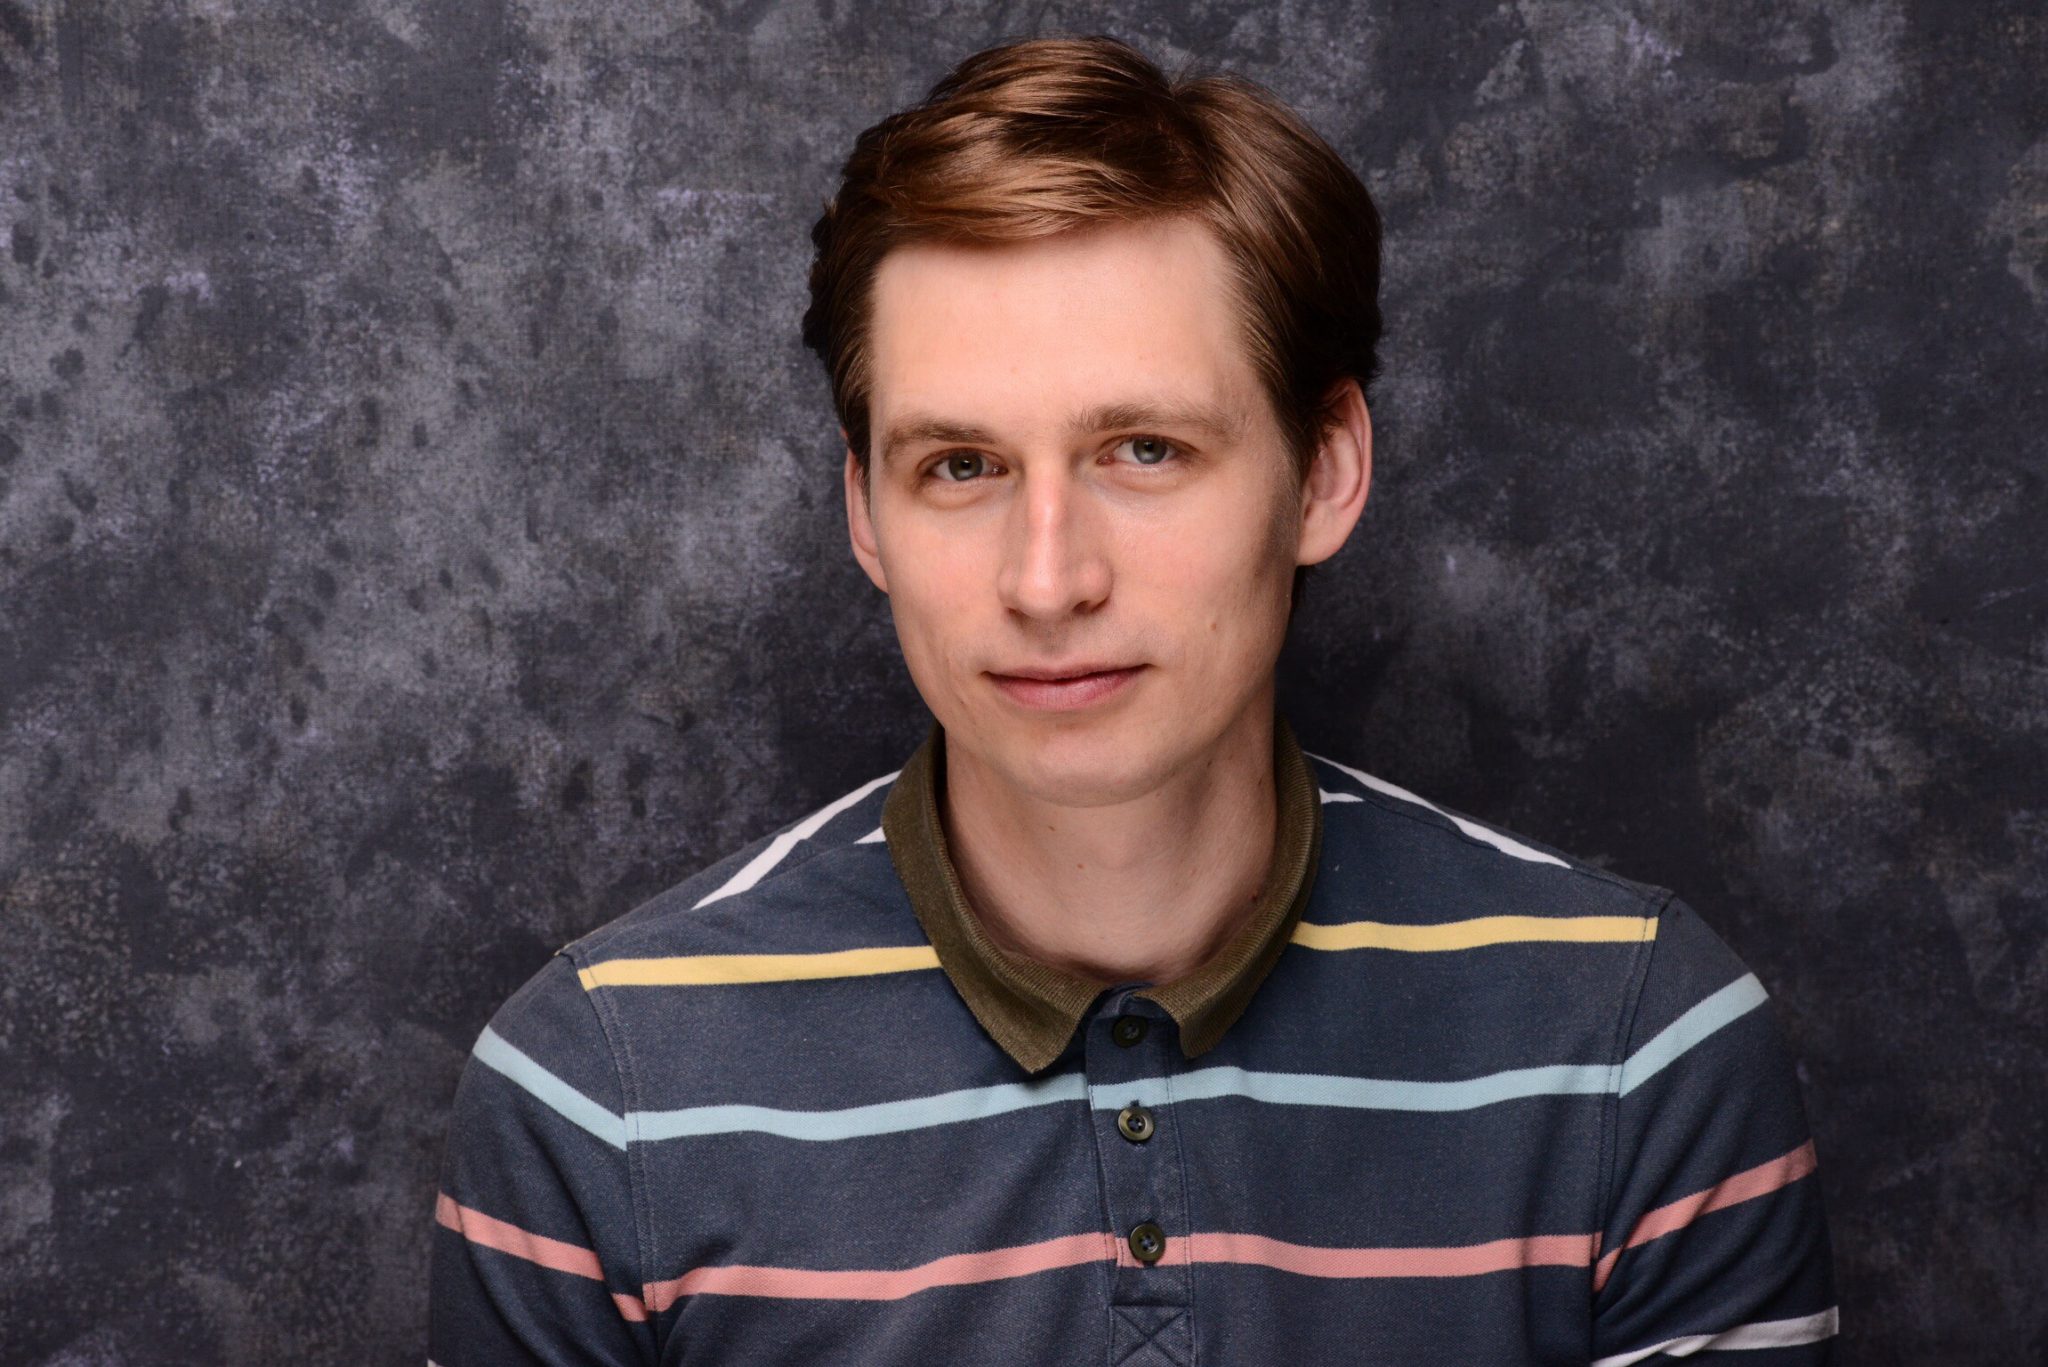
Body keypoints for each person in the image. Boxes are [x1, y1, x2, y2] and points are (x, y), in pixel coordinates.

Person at [427, 34, 1837, 1365]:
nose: (1048, 581)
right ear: (864, 513)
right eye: (961, 467)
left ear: (1326, 468)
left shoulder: (1641, 1050)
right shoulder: (598, 1091)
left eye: (1145, 450)